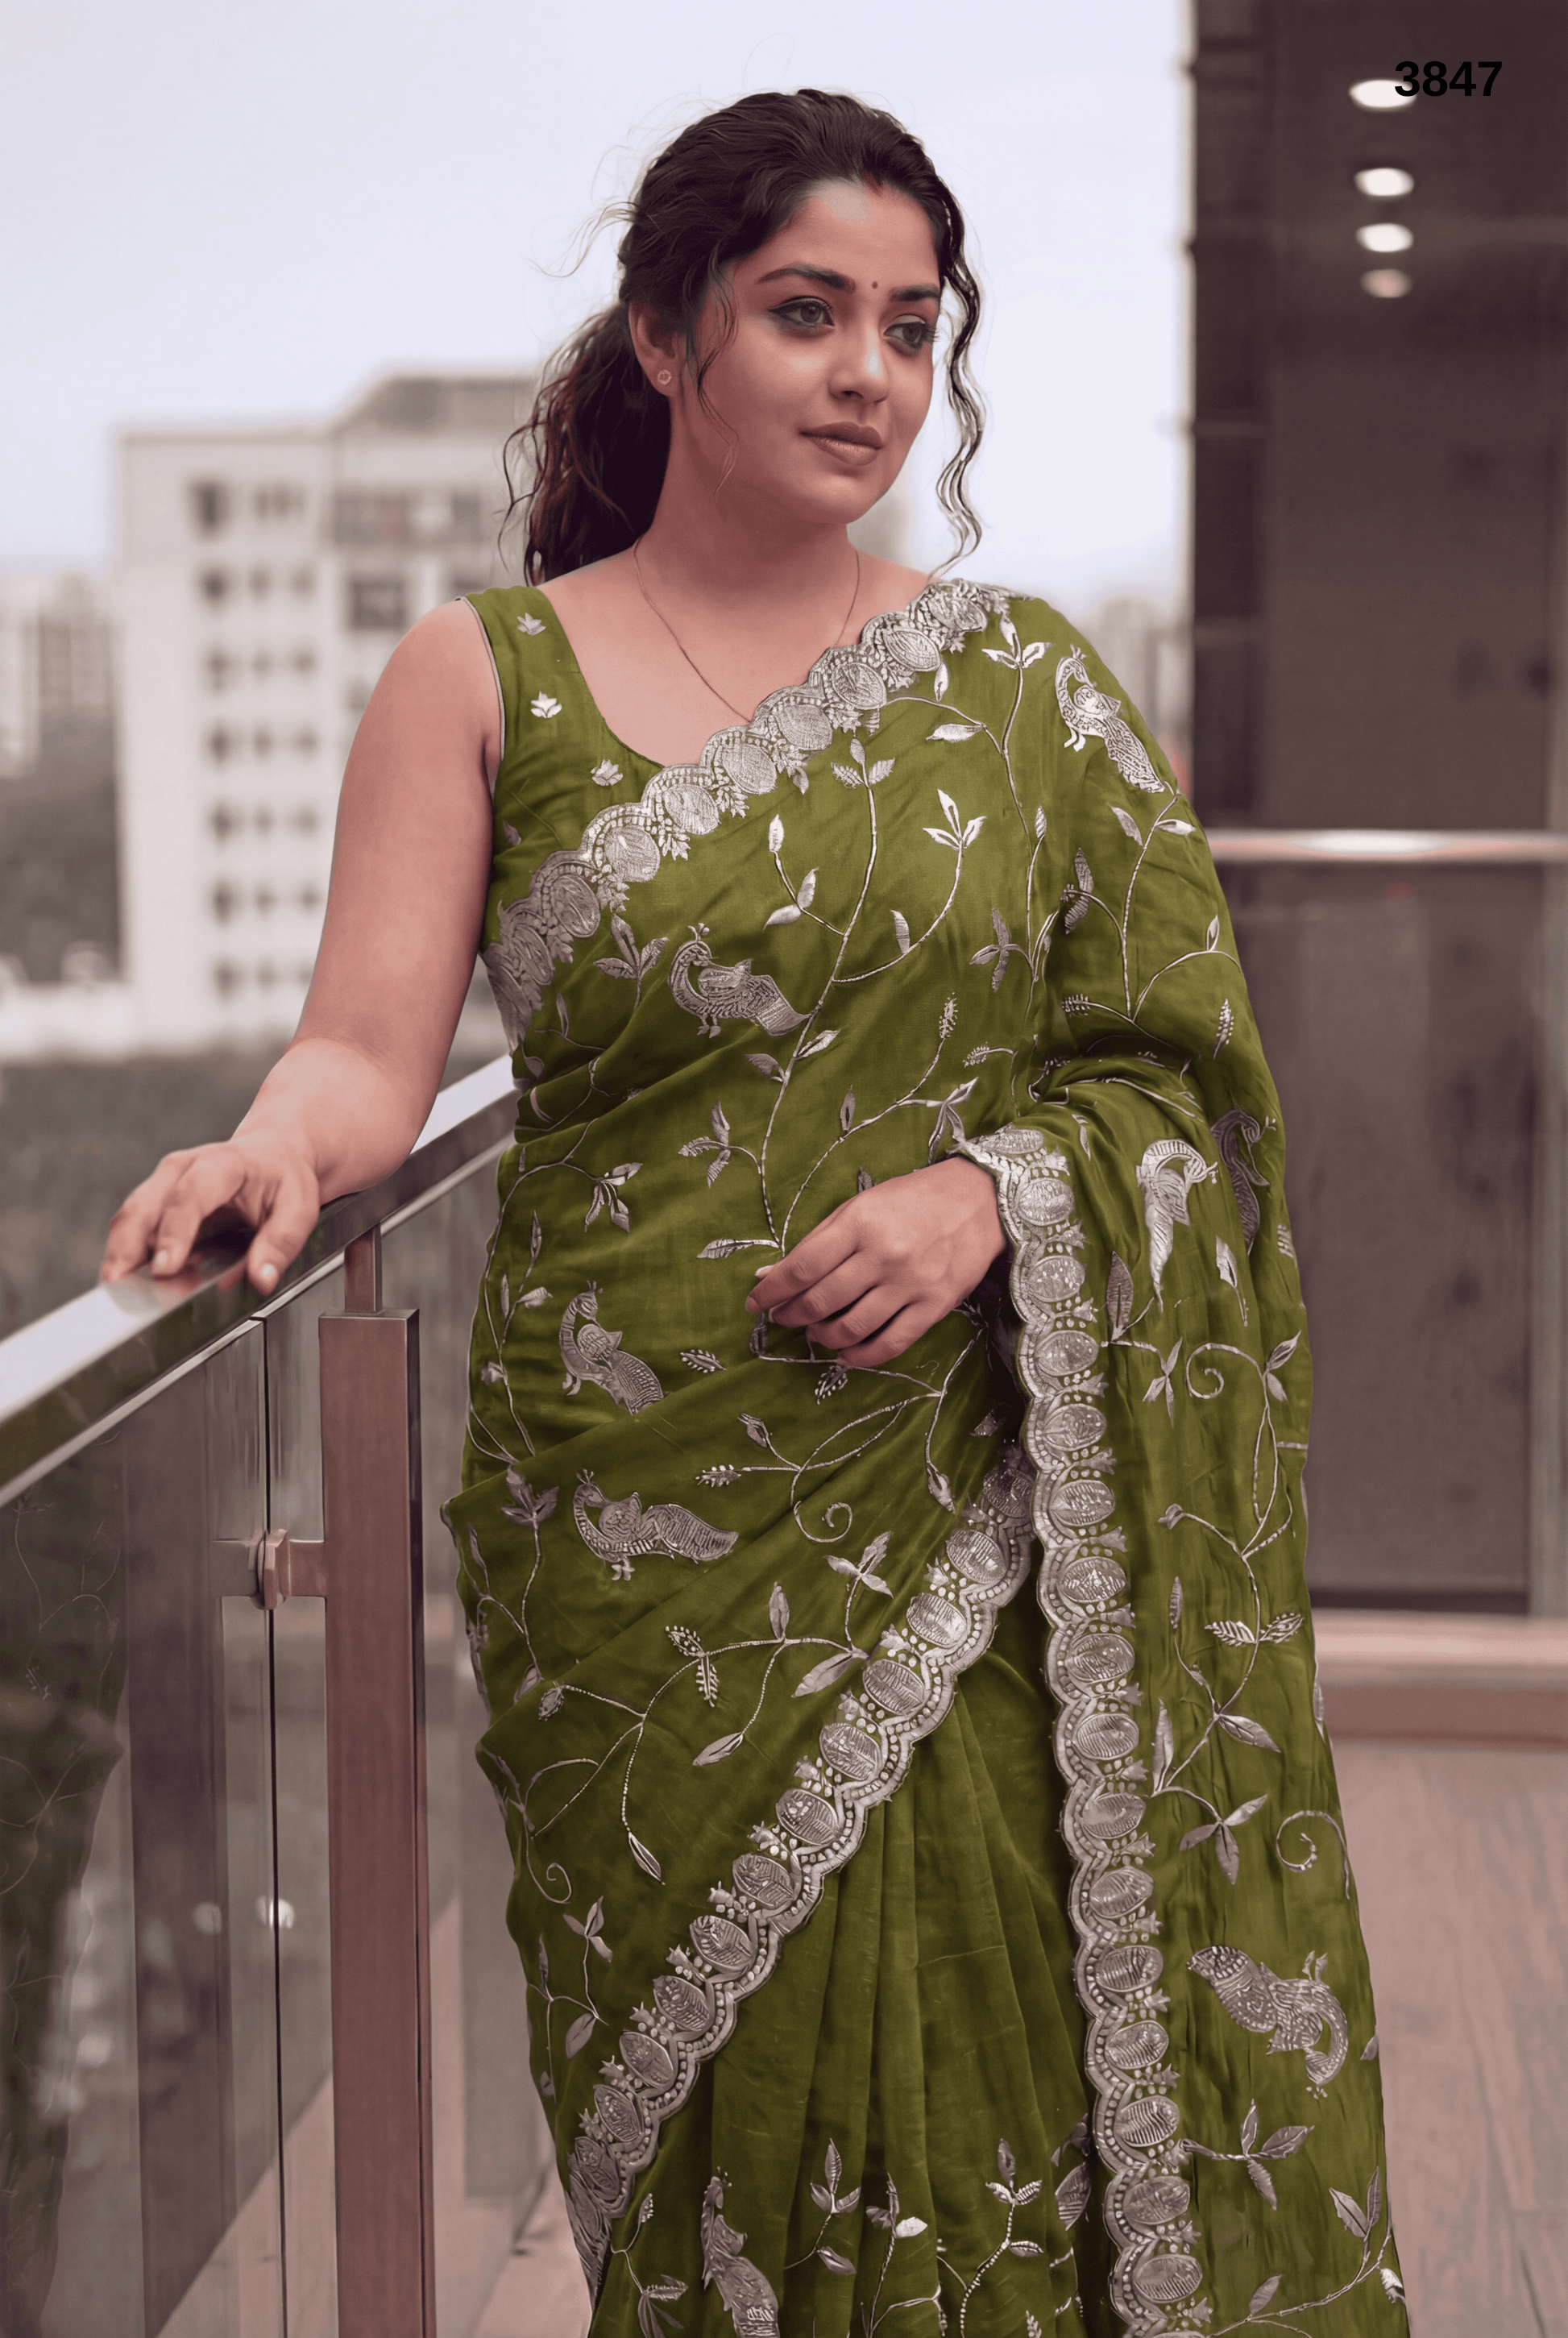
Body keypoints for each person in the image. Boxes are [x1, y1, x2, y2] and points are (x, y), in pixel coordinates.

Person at [102, 89, 1407, 2338]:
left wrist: (996, 1198)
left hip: (966, 1499)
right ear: (662, 334)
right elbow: (364, 1051)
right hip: (630, 1541)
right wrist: (272, 1154)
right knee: (727, 2139)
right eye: (807, 313)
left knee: (1000, 2059)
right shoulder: (482, 676)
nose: (868, 374)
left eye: (911, 326)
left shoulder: (1025, 691)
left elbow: (1184, 1087)